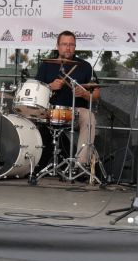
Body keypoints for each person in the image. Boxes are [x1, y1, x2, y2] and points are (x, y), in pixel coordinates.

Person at [36, 31, 100, 165]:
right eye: (64, 44)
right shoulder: (46, 65)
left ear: (75, 46)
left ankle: (81, 164)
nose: (68, 48)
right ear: (57, 46)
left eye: (71, 45)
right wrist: (50, 86)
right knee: (27, 114)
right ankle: (30, 162)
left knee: (89, 117)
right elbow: (37, 90)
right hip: (50, 111)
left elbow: (96, 95)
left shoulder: (85, 66)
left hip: (75, 112)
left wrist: (84, 93)